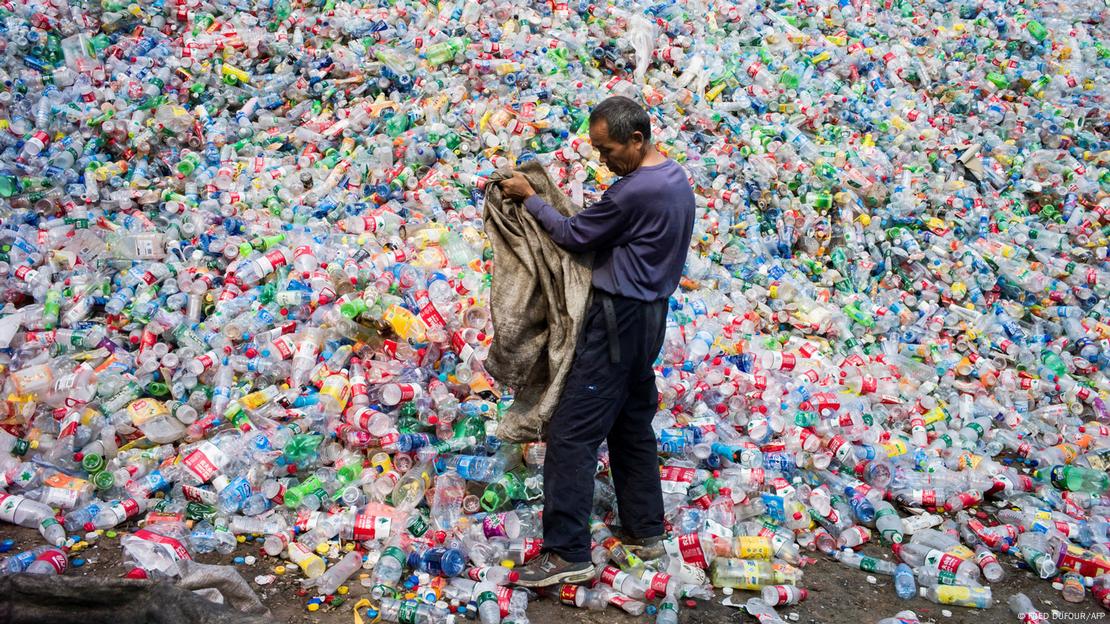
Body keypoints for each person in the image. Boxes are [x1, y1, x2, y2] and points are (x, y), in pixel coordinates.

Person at [497, 96, 696, 587]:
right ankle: (645, 531)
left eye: (609, 150)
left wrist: (530, 196)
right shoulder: (674, 178)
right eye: (597, 150)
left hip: (616, 321)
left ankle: (566, 553)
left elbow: (572, 234)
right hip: (651, 317)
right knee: (631, 425)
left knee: (571, 434)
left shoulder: (634, 192)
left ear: (637, 139)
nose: (603, 160)